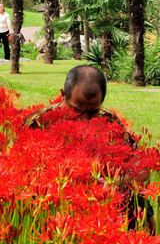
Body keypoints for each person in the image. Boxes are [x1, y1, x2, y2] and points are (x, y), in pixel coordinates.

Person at [25, 65, 154, 233]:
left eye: (92, 112)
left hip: (106, 199)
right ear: (63, 94)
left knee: (144, 214)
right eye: (77, 110)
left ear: (101, 102)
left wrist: (114, 182)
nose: (85, 119)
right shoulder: (40, 121)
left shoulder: (109, 121)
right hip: (54, 202)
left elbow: (142, 169)